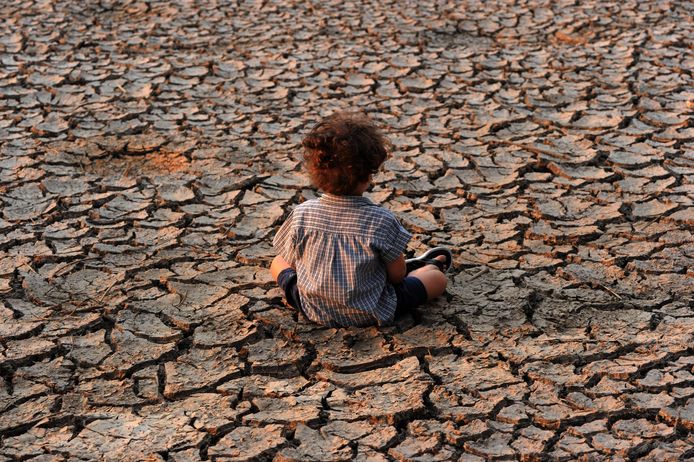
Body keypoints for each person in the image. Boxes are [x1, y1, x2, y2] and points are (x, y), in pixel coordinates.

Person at [269, 111, 451, 327]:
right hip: (371, 310)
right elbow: (396, 276)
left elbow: (292, 261)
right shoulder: (381, 220)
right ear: (367, 175)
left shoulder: (302, 213)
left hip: (312, 307)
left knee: (277, 262)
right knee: (436, 279)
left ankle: (419, 266)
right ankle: (425, 266)